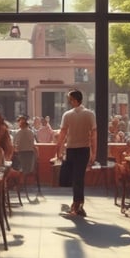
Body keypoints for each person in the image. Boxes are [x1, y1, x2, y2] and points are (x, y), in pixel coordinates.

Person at [55, 89, 97, 217]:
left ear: (74, 100)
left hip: (71, 149)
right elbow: (94, 134)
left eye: (70, 99)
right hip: (84, 149)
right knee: (79, 177)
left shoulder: (67, 115)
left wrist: (59, 151)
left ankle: (76, 204)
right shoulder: (90, 114)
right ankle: (78, 204)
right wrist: (94, 152)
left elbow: (62, 134)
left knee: (74, 178)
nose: (69, 102)